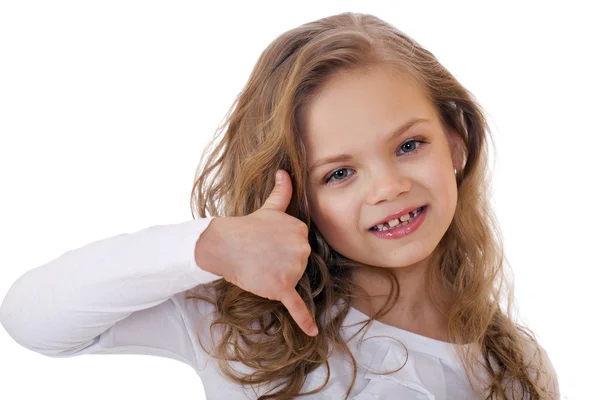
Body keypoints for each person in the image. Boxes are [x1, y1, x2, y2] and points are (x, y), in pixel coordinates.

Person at [0, 11, 559, 400]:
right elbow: (33, 318)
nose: (388, 187)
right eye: (340, 173)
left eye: (409, 145)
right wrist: (210, 244)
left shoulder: (514, 368)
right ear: (298, 197)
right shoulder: (239, 321)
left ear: (456, 140)